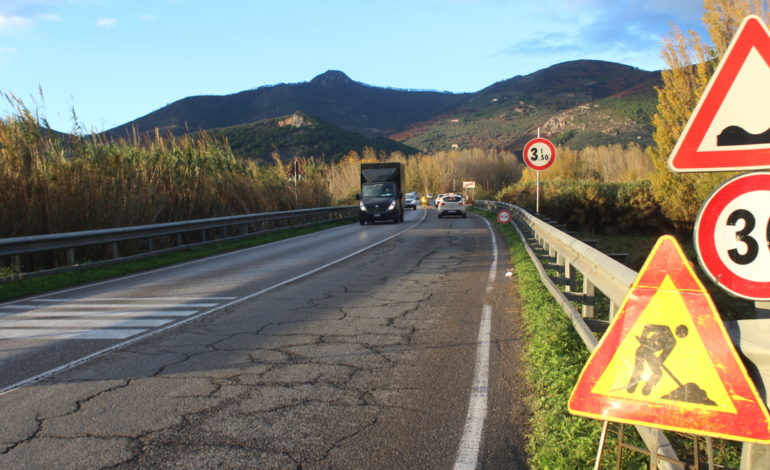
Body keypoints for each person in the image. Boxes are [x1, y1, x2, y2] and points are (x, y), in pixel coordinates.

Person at [626, 324, 688, 396]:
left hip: (649, 354)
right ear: (677, 329)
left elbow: (663, 356)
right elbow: (647, 327)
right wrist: (643, 338)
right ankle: (632, 386)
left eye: (683, 333)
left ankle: (646, 389)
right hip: (642, 350)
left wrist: (657, 362)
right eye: (681, 331)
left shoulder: (672, 342)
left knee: (658, 373)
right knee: (639, 369)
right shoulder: (665, 329)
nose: (680, 333)